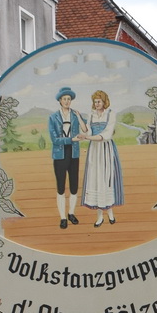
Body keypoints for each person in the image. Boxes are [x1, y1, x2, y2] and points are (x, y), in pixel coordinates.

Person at [80, 89, 122, 226]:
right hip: (94, 151)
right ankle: (100, 216)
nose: (96, 104)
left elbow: (107, 134)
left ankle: (110, 213)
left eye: (99, 101)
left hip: (106, 150)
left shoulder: (111, 114)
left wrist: (88, 137)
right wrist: (82, 127)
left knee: (106, 179)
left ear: (104, 102)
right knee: (95, 180)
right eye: (95, 101)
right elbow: (88, 130)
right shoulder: (91, 115)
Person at [48, 87, 87, 230]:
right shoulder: (53, 117)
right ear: (59, 100)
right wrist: (71, 139)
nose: (66, 101)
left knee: (74, 185)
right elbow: (54, 139)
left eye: (69, 99)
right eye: (64, 99)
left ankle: (71, 213)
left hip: (74, 154)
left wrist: (80, 118)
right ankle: (63, 217)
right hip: (59, 155)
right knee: (60, 187)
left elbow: (86, 129)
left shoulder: (75, 115)